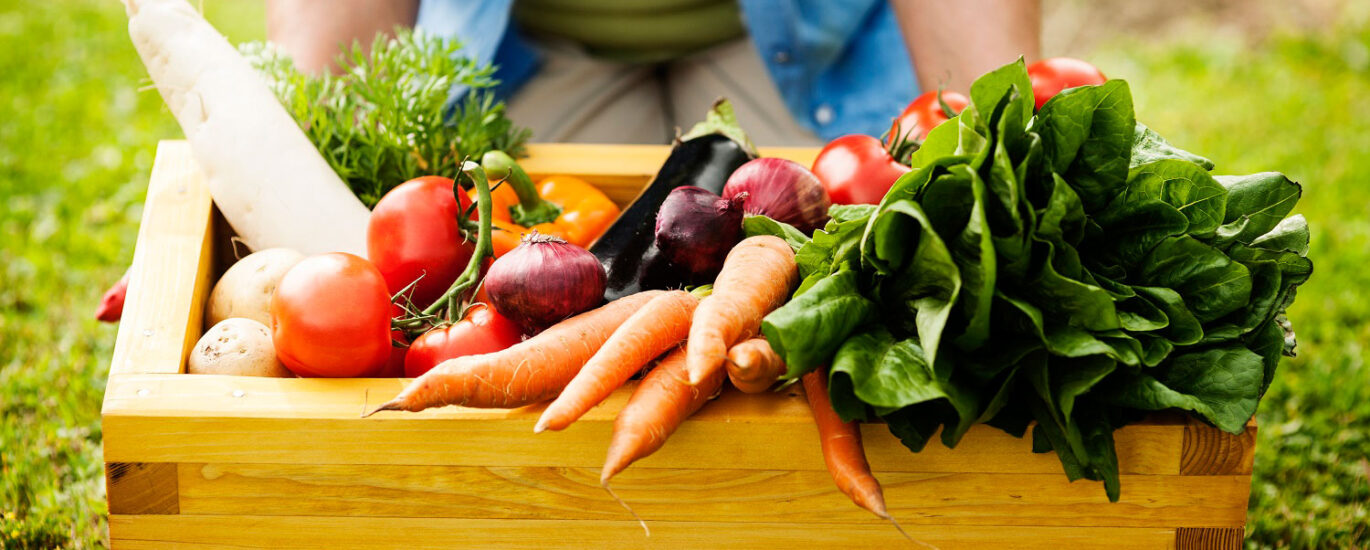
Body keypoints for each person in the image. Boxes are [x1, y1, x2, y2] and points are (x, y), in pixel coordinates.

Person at [266, 0, 1041, 146]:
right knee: (523, 282)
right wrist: (314, 151)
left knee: (872, 262)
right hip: (531, 40)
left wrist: (1003, 143)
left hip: (806, 37)